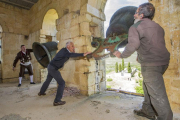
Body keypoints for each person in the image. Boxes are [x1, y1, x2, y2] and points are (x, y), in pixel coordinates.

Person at [113, 3, 173, 120]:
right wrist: (140, 56)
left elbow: (133, 45)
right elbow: (151, 44)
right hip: (163, 62)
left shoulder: (135, 27)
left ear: (141, 15)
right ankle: (147, 111)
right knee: (147, 86)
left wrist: (121, 55)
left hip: (151, 65)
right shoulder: (158, 27)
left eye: (136, 12)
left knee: (158, 96)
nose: (134, 15)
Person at [38, 41, 91, 106]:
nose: (73, 47)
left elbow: (70, 54)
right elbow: (72, 55)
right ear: (68, 46)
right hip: (53, 68)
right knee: (62, 83)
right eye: (72, 46)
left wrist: (73, 51)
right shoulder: (64, 51)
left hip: (51, 67)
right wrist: (83, 54)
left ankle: (41, 92)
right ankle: (57, 101)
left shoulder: (66, 51)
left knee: (48, 80)